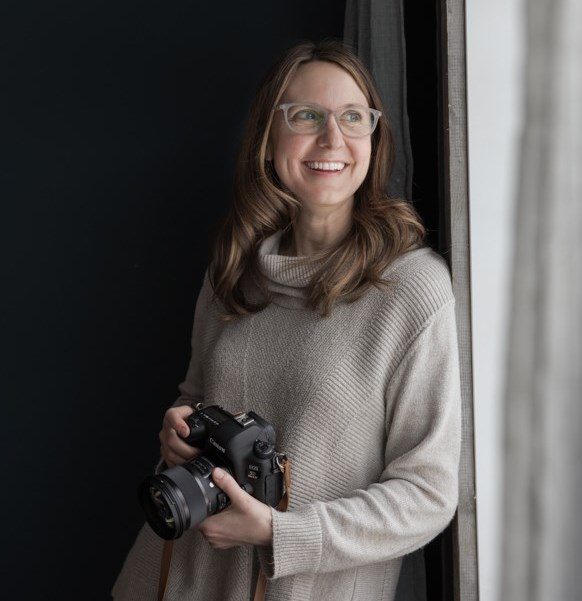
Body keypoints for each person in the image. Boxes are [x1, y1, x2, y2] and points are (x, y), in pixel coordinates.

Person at [111, 38, 461, 601]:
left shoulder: (411, 290)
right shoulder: (233, 269)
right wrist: (177, 432)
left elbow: (428, 494)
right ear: (268, 139)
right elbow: (195, 396)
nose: (333, 139)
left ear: (375, 139)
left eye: (354, 117)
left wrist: (282, 534)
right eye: (306, 116)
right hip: (172, 579)